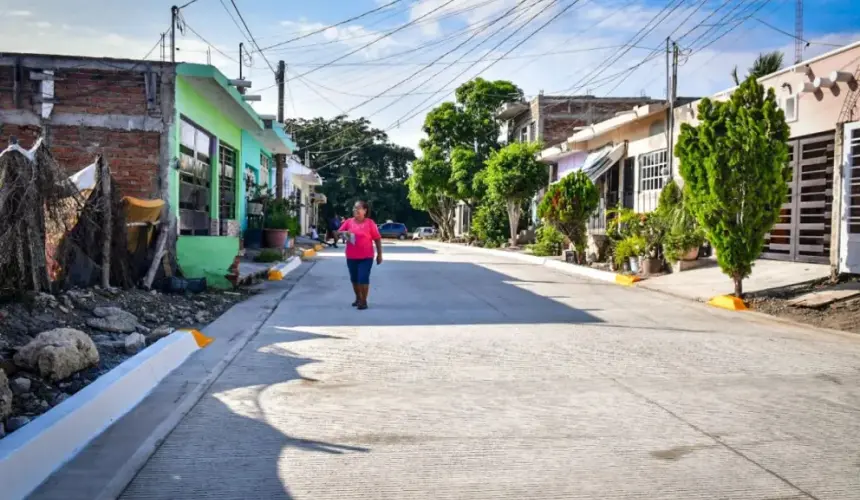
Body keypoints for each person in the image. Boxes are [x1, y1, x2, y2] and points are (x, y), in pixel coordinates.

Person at [338, 200, 382, 310]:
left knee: (363, 277)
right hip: (351, 256)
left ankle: (363, 301)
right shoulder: (349, 222)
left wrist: (379, 254)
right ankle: (358, 297)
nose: (355, 210)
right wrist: (344, 234)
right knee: (354, 278)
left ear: (364, 211)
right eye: (354, 208)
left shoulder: (370, 223)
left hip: (366, 256)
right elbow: (337, 233)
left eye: (358, 208)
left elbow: (377, 239)